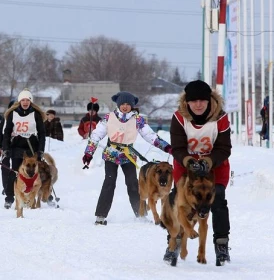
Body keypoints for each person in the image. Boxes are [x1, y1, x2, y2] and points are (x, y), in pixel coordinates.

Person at [81, 91, 172, 225]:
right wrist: (89, 153)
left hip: (128, 155)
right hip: (111, 154)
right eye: (122, 104)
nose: (125, 106)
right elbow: (96, 135)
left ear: (132, 106)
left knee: (133, 184)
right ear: (118, 104)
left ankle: (140, 214)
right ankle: (100, 216)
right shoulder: (108, 118)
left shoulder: (137, 120)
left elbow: (150, 136)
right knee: (109, 183)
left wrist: (166, 147)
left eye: (128, 104)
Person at [168, 80, 232, 264]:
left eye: (202, 101)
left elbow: (224, 148)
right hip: (186, 164)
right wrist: (189, 160)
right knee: (177, 200)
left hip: (215, 165)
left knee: (217, 198)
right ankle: (174, 242)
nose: (198, 105)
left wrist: (208, 161)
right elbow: (178, 147)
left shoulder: (220, 118)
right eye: (193, 101)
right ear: (187, 102)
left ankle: (221, 244)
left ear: (209, 101)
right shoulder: (179, 118)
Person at [1, 89, 46, 209]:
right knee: (15, 172)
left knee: (32, 173)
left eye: (27, 100)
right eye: (23, 100)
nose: (25, 102)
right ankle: (9, 197)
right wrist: (5, 147)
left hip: (31, 147)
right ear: (19, 101)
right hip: (16, 146)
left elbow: (42, 134)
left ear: (30, 101)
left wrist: (41, 150)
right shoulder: (13, 113)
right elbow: (7, 132)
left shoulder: (36, 114)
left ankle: (31, 197)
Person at [0, 100, 15, 198]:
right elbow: (0, 133)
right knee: (5, 168)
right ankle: (6, 187)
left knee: (16, 168)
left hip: (18, 145)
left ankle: (16, 187)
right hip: (5, 145)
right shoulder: (5, 117)